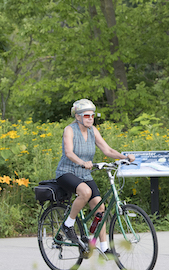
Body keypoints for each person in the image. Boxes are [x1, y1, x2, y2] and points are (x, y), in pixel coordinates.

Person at [55, 98, 134, 256]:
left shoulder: (93, 131)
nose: (90, 118)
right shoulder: (69, 130)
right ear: (77, 116)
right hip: (67, 172)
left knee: (100, 207)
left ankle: (104, 248)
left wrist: (123, 157)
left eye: (92, 115)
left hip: (84, 174)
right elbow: (69, 152)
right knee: (85, 192)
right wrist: (82, 162)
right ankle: (68, 224)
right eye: (86, 116)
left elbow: (107, 150)